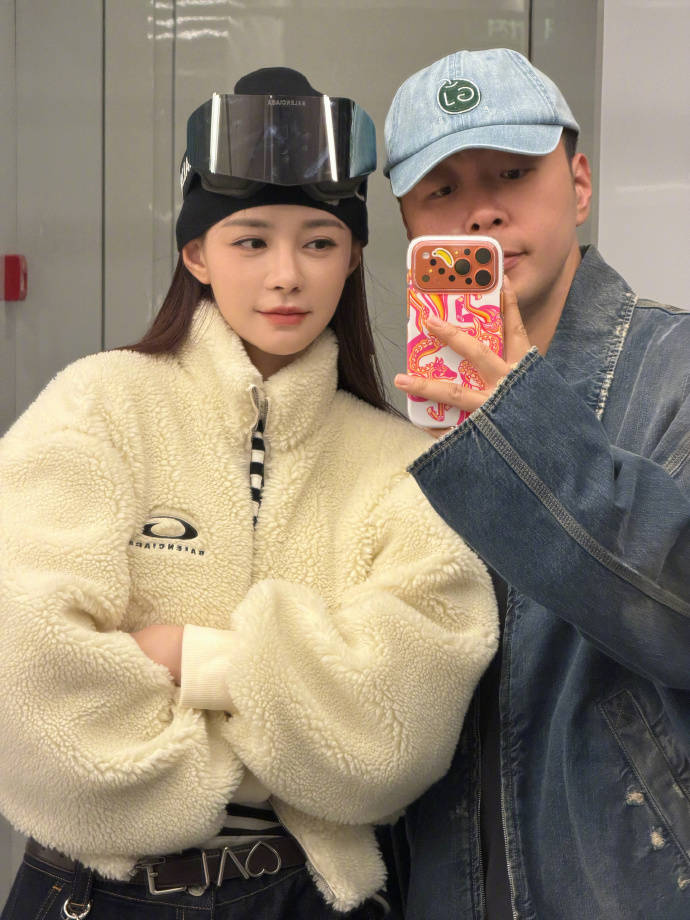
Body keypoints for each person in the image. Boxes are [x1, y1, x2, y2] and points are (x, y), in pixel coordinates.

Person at [0, 67, 498, 920]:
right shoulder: (99, 406)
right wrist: (289, 719)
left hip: (305, 898)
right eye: (251, 241)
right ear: (196, 253)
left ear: (352, 257)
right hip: (95, 896)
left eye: (319, 242)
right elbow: (25, 677)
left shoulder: (402, 462)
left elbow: (397, 737)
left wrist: (186, 657)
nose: (287, 276)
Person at [382, 48, 690, 920]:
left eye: (513, 174)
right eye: (441, 189)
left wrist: (523, 424)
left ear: (579, 185)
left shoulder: (676, 371)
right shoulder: (405, 414)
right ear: (409, 223)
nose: (482, 210)